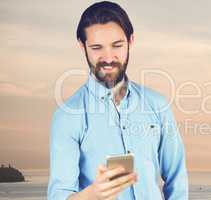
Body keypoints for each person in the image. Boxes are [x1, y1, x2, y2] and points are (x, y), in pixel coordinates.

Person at [47, 1, 188, 199]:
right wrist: (93, 194)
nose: (108, 57)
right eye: (97, 47)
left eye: (117, 45)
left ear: (131, 41)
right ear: (82, 46)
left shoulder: (157, 105)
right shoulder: (66, 116)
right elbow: (59, 195)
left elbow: (177, 180)